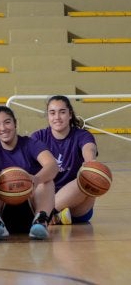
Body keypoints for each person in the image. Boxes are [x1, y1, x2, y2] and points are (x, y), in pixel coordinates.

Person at [0, 106, 58, 240]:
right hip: (0, 211)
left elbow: (52, 165)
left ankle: (40, 221)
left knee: (47, 181)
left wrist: (36, 179)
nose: (2, 128)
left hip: (29, 211)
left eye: (7, 122)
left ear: (15, 123)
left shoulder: (30, 144)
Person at [31, 95, 98, 225]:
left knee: (89, 178)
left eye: (62, 112)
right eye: (52, 113)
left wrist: (90, 162)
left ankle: (47, 215)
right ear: (48, 116)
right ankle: (56, 216)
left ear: (70, 114)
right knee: (41, 181)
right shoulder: (38, 137)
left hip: (76, 205)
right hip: (45, 196)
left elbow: (89, 148)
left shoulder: (82, 135)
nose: (57, 117)